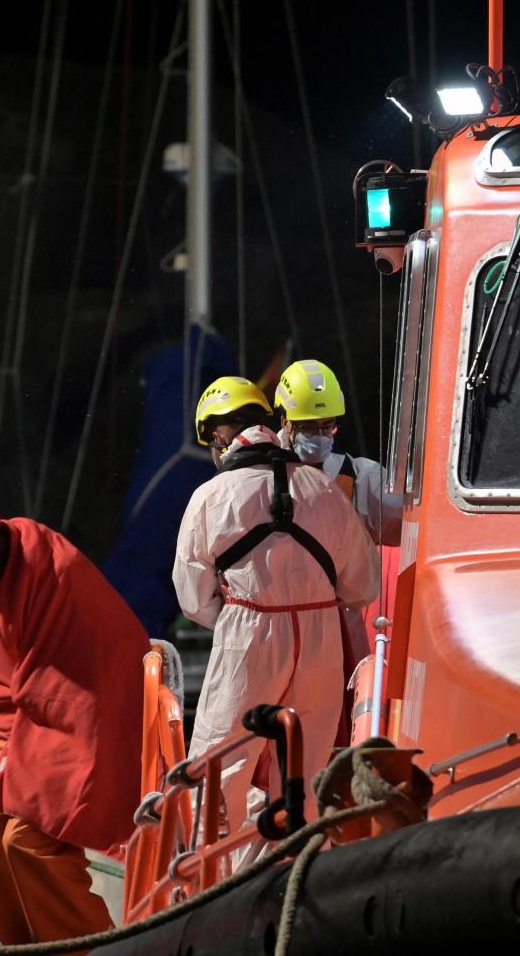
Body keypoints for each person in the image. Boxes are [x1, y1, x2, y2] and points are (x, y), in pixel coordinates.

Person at [0, 505, 146, 947]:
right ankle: (14, 944)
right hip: (37, 719)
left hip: (87, 717)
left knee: (29, 841)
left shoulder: (50, 566)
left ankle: (90, 946)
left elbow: (52, 675)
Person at [173, 375, 378, 860]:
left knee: (218, 770)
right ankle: (294, 873)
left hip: (248, 636)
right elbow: (362, 587)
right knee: (301, 775)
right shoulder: (324, 489)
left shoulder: (211, 497)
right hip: (321, 639)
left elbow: (192, 597)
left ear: (219, 436)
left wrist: (244, 611)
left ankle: (223, 883)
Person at [273, 359, 402, 546]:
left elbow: (410, 517)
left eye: (327, 426)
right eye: (308, 427)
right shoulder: (262, 473)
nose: (320, 436)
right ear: (286, 423)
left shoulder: (358, 476)